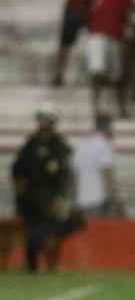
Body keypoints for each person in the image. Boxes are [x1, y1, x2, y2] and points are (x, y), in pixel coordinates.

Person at [11, 105, 76, 273]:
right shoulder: (30, 144)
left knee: (51, 231)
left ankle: (52, 265)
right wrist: (20, 192)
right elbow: (17, 170)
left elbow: (64, 174)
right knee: (31, 231)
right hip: (30, 197)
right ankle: (31, 265)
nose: (44, 123)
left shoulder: (59, 145)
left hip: (50, 196)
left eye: (47, 120)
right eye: (42, 119)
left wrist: (60, 196)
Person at [86, 0, 135, 117]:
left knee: (118, 75)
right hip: (98, 34)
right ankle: (96, 107)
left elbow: (128, 15)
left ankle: (122, 108)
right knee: (97, 71)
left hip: (114, 35)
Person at [53, 0, 105, 87]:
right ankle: (59, 74)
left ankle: (97, 76)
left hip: (81, 13)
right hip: (77, 13)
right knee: (68, 45)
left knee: (94, 44)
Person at [71, 112, 122, 217]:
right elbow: (107, 173)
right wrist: (114, 199)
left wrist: (75, 200)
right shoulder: (104, 144)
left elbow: (75, 176)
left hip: (82, 201)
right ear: (107, 127)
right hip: (99, 201)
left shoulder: (81, 145)